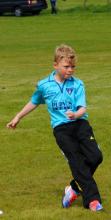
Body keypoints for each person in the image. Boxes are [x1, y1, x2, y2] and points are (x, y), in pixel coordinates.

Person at [6, 44, 103, 212]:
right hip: (61, 130)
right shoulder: (44, 85)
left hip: (80, 125)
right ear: (55, 65)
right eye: (66, 67)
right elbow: (34, 102)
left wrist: (76, 115)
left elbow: (82, 108)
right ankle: (93, 200)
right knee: (77, 161)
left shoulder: (78, 84)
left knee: (96, 157)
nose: (70, 70)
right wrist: (17, 117)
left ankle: (73, 188)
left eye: (73, 67)